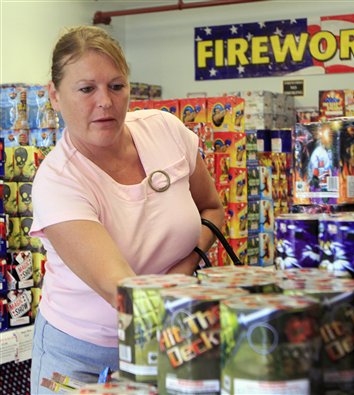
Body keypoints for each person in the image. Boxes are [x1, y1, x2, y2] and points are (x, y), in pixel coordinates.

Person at [29, 25, 225, 394]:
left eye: (116, 86)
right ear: (54, 96)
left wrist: (189, 263)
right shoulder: (58, 182)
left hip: (174, 335)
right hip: (83, 363)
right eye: (86, 89)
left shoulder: (165, 130)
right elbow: (126, 294)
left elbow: (213, 209)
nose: (105, 101)